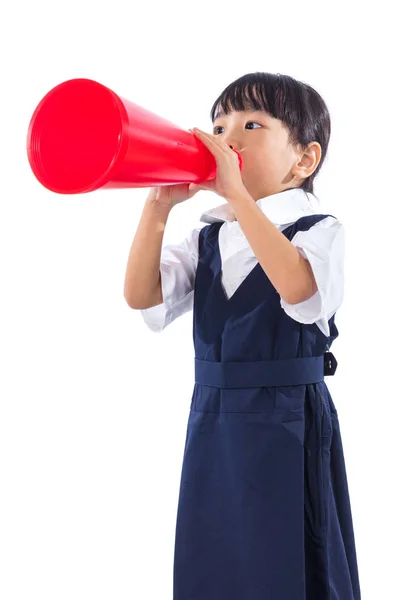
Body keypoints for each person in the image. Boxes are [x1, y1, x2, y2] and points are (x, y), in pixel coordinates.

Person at [124, 72, 361, 600]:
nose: (229, 134)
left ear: (304, 160)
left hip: (287, 419)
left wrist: (235, 191)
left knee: (289, 557)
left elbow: (299, 289)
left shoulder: (318, 229)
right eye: (220, 123)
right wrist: (158, 206)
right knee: (215, 557)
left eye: (252, 123)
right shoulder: (208, 235)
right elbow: (142, 295)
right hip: (213, 417)